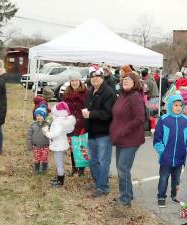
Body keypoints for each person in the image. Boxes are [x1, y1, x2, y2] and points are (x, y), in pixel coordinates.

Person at [109, 72, 145, 207]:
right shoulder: (123, 95)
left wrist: (124, 130)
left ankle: (125, 200)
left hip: (130, 139)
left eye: (129, 79)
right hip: (120, 138)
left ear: (135, 82)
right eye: (124, 79)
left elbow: (139, 118)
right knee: (122, 168)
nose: (125, 81)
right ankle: (127, 194)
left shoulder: (135, 96)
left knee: (122, 168)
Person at [83, 66, 117, 197]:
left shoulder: (109, 93)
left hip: (104, 133)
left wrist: (91, 114)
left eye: (97, 77)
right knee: (92, 160)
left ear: (102, 78)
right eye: (92, 77)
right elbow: (86, 107)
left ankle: (103, 187)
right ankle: (98, 183)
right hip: (91, 132)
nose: (95, 79)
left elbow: (108, 114)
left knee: (103, 161)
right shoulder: (90, 91)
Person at [153, 94, 187, 208]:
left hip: (180, 157)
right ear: (170, 105)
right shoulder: (163, 120)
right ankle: (161, 196)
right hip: (166, 157)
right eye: (175, 105)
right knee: (164, 178)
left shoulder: (186, 121)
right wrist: (162, 152)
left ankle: (175, 195)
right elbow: (157, 139)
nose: (178, 107)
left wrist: (186, 151)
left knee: (177, 178)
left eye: (180, 105)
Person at [42, 102, 76, 187]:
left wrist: (46, 132)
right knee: (59, 162)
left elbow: (54, 134)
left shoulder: (59, 123)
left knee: (59, 163)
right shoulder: (64, 120)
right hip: (61, 144)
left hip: (58, 145)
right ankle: (59, 177)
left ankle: (60, 180)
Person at [62, 71, 88, 176]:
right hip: (70, 124)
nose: (74, 82)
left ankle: (81, 170)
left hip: (81, 123)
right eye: (72, 80)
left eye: (76, 80)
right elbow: (63, 107)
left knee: (81, 147)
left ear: (80, 81)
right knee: (73, 147)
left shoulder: (85, 92)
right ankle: (74, 168)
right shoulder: (66, 92)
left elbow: (87, 106)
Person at [27, 105, 50, 175]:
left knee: (44, 158)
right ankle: (36, 168)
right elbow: (29, 135)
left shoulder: (48, 125)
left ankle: (44, 169)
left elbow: (51, 135)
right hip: (36, 146)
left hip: (45, 146)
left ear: (44, 116)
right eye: (37, 115)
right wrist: (29, 144)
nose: (39, 117)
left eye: (41, 115)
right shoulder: (33, 125)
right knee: (36, 158)